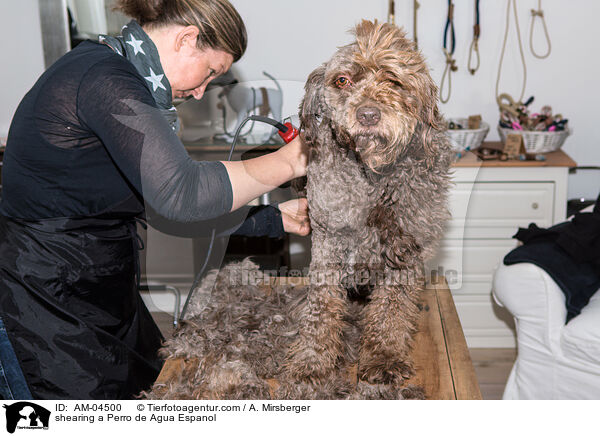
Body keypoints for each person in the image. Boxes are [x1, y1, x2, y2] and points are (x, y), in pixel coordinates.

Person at [0, 0, 309, 400]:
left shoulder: (124, 76)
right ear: (186, 39)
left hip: (100, 293)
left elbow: (162, 207)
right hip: (42, 307)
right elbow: (181, 192)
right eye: (210, 73)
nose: (200, 93)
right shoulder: (104, 79)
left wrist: (272, 219)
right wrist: (290, 160)